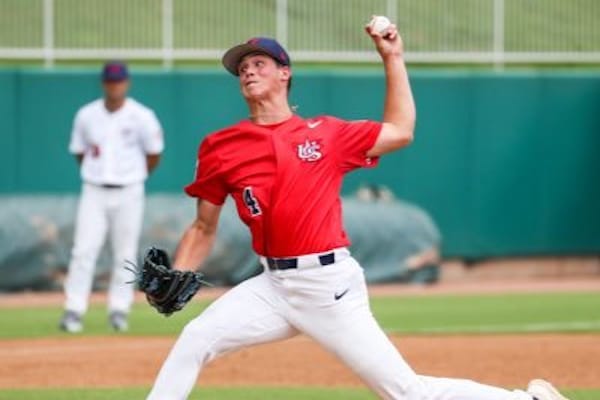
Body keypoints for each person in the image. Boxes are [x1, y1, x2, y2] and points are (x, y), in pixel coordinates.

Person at [146, 24, 568, 400]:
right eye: (242, 68)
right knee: (196, 338)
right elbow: (203, 226)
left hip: (328, 287)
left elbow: (401, 131)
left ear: (284, 73)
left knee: (406, 392)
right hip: (272, 286)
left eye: (259, 63)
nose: (248, 71)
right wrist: (180, 272)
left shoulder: (327, 134)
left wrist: (393, 57)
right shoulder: (221, 145)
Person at [60, 61, 164, 333]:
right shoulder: (87, 115)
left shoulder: (142, 115)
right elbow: (79, 151)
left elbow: (153, 154)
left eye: (118, 81)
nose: (114, 85)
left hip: (129, 189)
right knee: (83, 250)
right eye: (110, 81)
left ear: (126, 83)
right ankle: (74, 309)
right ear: (103, 83)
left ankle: (119, 310)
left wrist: (133, 176)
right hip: (94, 189)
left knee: (125, 253)